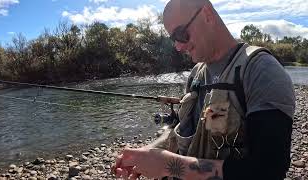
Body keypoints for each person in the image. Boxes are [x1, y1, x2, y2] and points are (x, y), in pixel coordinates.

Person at [112, 0, 295, 179]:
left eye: (181, 34)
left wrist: (171, 166)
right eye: (173, 39)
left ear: (207, 14)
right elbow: (180, 129)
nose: (178, 46)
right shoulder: (196, 75)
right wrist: (149, 152)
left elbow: (269, 169)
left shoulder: (261, 70)